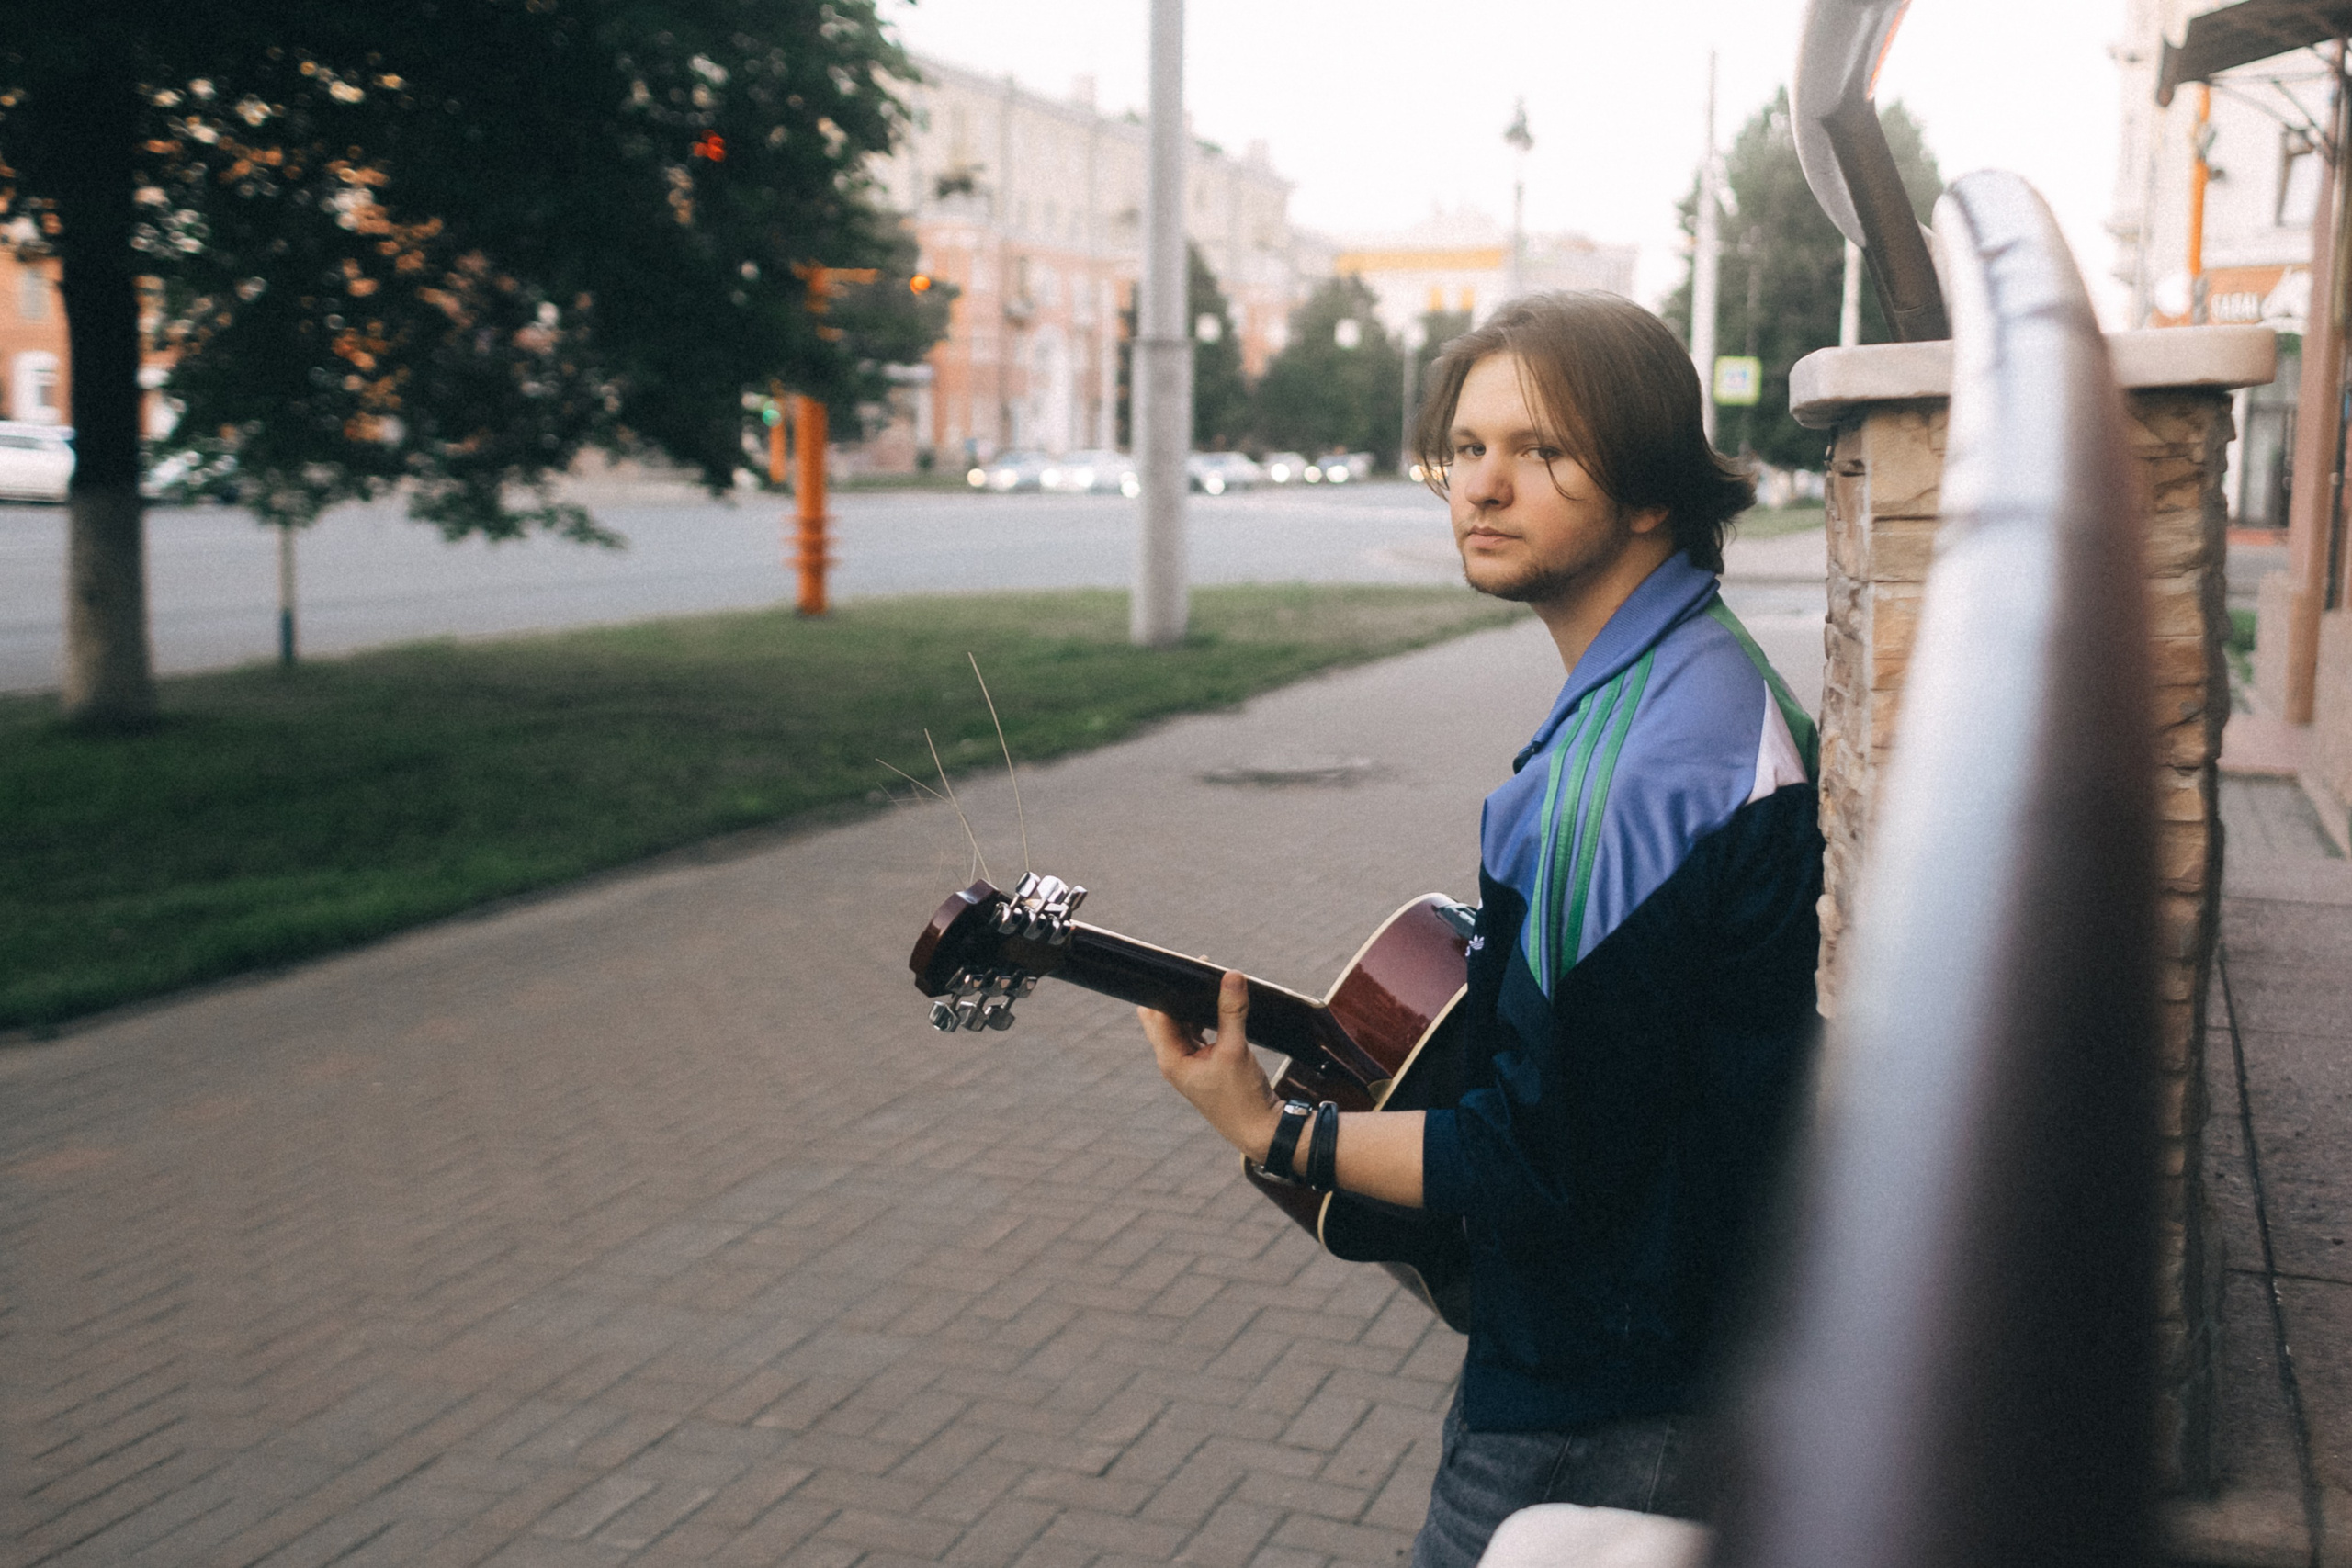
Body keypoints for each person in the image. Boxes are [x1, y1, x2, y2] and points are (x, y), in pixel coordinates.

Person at [1136, 291, 1824, 1568]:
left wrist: (1271, 1130)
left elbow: (1540, 1162)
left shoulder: (1628, 778)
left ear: (1650, 490)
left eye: (1541, 450)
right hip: (1695, 1341)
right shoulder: (1699, 676)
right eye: (1465, 448)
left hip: (1594, 1394)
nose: (1482, 487)